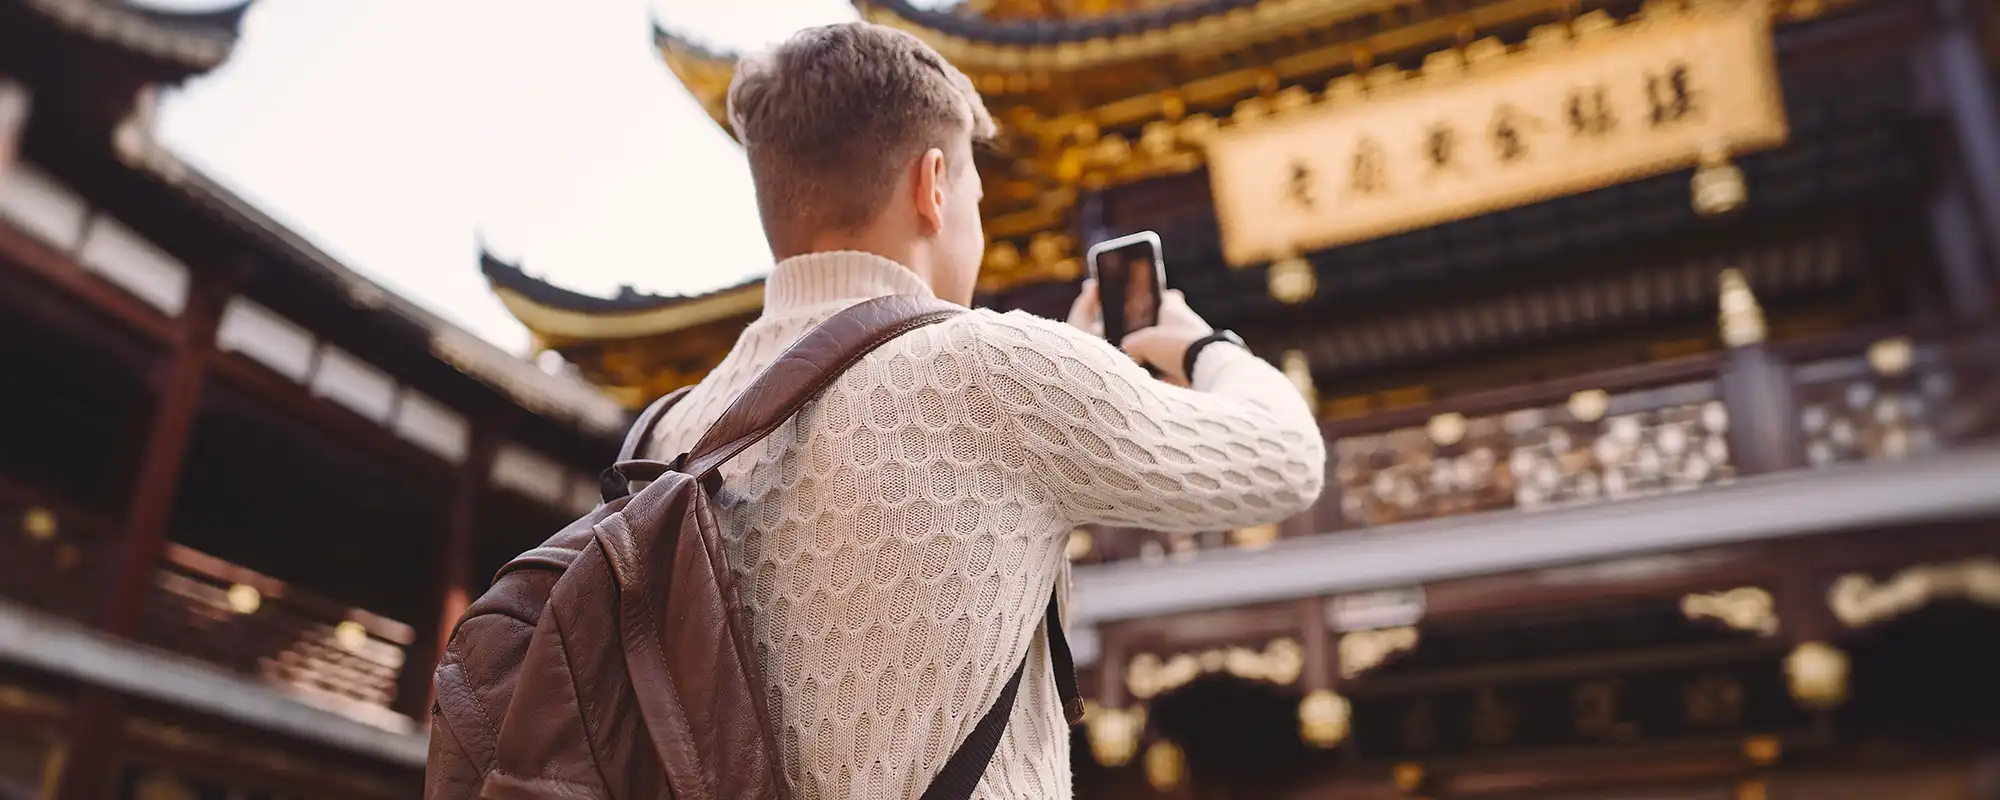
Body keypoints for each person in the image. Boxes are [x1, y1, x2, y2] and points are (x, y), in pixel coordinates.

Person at [643, 22, 1326, 798]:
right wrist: (1201, 346)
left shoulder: (668, 432)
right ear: (933, 186)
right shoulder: (998, 373)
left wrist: (1066, 371)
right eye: (975, 190)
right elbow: (1286, 457)